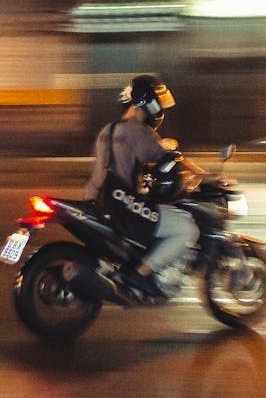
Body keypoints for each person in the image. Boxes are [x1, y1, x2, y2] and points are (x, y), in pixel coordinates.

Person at [82, 73, 200, 299]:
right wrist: (205, 176)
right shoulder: (140, 132)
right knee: (187, 229)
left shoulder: (107, 130)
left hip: (106, 203)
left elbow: (97, 179)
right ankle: (141, 273)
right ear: (148, 101)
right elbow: (173, 158)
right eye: (159, 101)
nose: (161, 109)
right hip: (126, 206)